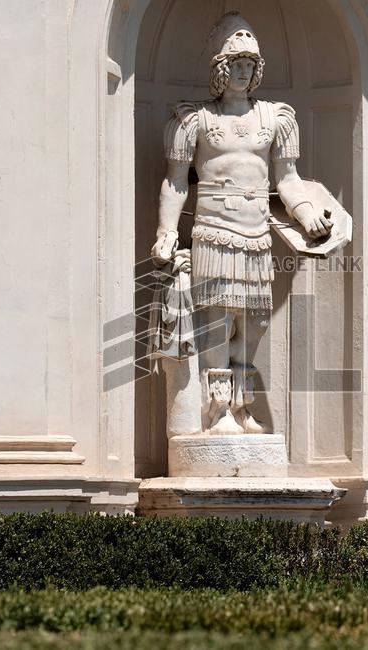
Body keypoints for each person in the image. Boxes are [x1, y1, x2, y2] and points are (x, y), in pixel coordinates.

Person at [150, 12, 331, 434]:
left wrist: (308, 215)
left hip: (257, 232)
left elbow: (288, 180)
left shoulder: (275, 118)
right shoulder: (194, 119)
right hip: (213, 231)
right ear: (220, 67)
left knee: (255, 322)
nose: (244, 71)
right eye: (236, 63)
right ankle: (217, 413)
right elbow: (175, 182)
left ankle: (241, 406)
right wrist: (166, 232)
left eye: (250, 64)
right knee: (218, 320)